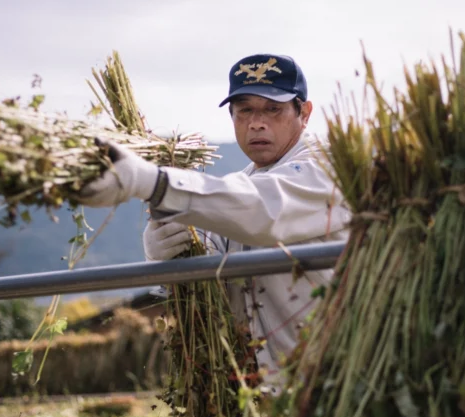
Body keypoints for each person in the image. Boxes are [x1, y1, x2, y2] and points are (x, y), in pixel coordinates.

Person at [80, 53, 349, 391]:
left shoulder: (327, 167)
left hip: (333, 376)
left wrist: (154, 183)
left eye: (272, 109)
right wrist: (165, 255)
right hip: (261, 391)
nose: (256, 123)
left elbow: (264, 211)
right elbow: (210, 268)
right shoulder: (235, 188)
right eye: (245, 110)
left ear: (304, 113)